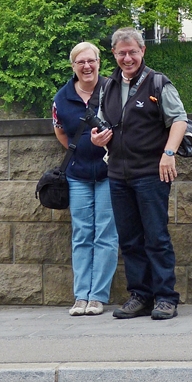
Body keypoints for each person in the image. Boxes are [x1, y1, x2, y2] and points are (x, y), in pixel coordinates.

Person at [91, 27, 187, 321]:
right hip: (118, 173)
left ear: (143, 51)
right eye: (122, 52)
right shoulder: (108, 86)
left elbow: (180, 121)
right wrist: (98, 138)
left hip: (151, 172)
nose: (128, 57)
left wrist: (168, 154)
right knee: (130, 239)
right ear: (114, 54)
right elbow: (103, 123)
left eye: (133, 51)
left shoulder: (158, 83)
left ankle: (165, 298)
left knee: (156, 237)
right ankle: (140, 296)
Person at [52, 42, 119, 316]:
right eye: (80, 62)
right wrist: (78, 149)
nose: (87, 66)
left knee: (106, 234)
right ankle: (81, 295)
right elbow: (60, 131)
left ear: (99, 62)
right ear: (73, 66)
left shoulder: (112, 90)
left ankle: (97, 296)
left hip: (108, 172)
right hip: (78, 174)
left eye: (91, 61)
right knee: (81, 234)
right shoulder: (62, 97)